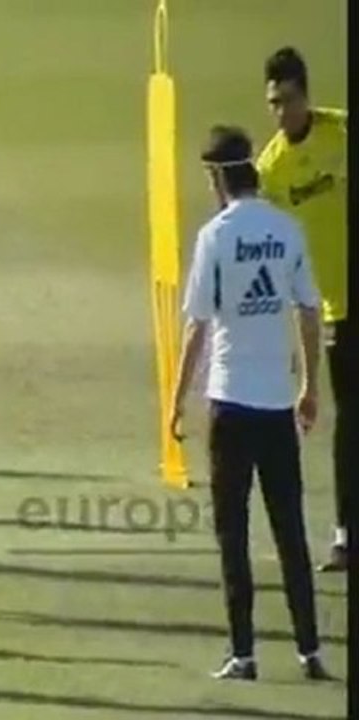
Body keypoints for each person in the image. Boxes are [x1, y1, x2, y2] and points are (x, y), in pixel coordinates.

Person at [170, 125, 332, 682]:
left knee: (232, 533)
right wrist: (310, 387)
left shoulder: (215, 236)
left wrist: (176, 400)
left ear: (219, 176)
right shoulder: (287, 230)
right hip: (276, 405)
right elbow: (307, 311)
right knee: (290, 529)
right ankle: (310, 648)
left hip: (231, 402)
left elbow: (197, 326)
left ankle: (243, 653)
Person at [256, 47, 352, 573]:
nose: (281, 112)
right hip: (336, 307)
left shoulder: (341, 132)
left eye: (288, 100)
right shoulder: (272, 170)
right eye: (273, 102)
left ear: (306, 97)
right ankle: (346, 535)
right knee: (349, 419)